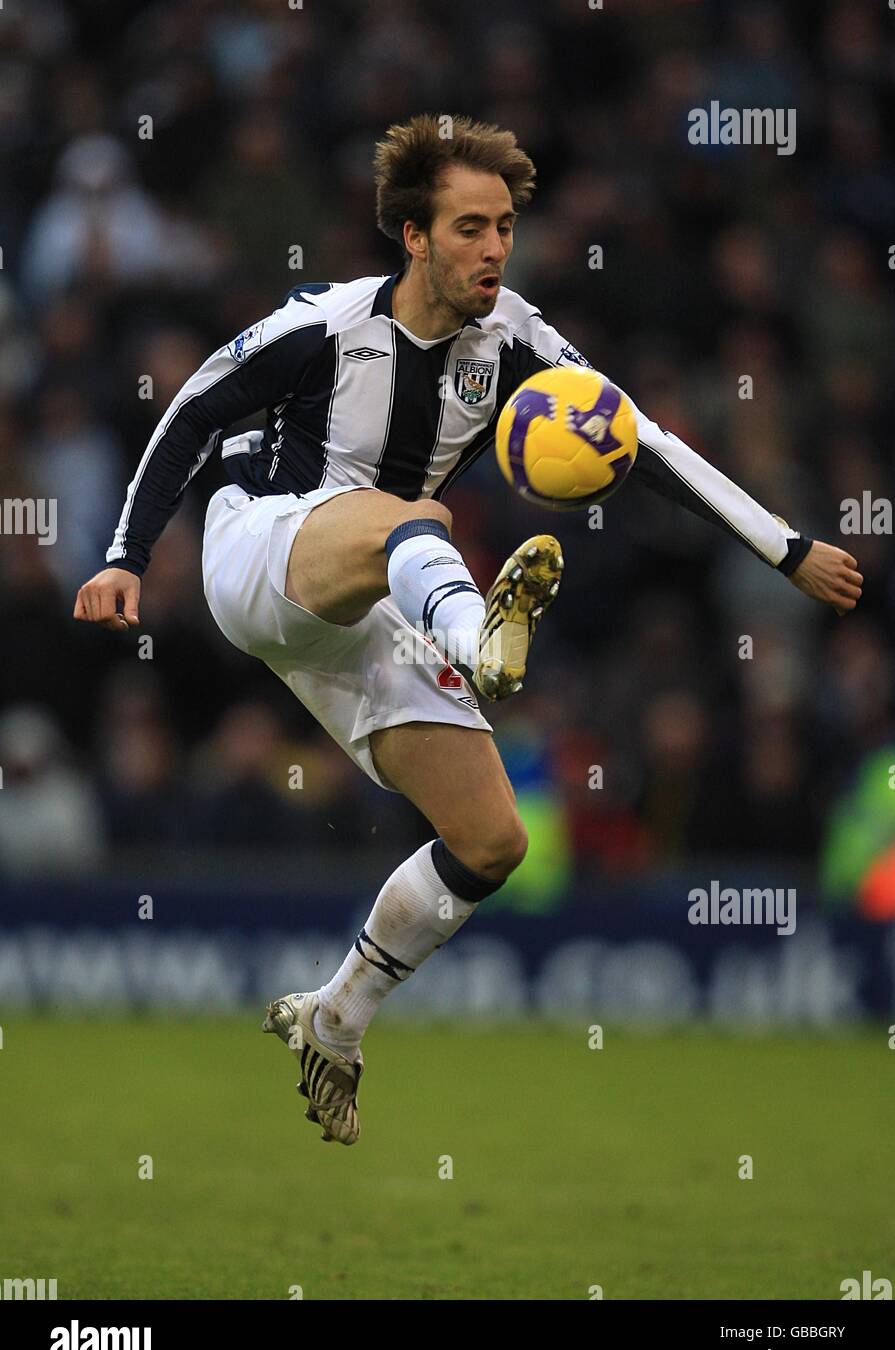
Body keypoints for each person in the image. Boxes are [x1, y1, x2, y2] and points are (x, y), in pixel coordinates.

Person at [74, 115, 863, 1145]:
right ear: (412, 236)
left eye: (502, 227)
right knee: (419, 518)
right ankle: (478, 636)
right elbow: (191, 405)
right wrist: (126, 552)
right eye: (468, 228)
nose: (493, 248)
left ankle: (337, 1016)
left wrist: (783, 544)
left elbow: (644, 438)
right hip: (260, 552)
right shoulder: (327, 323)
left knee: (491, 840)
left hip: (382, 594)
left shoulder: (520, 343)